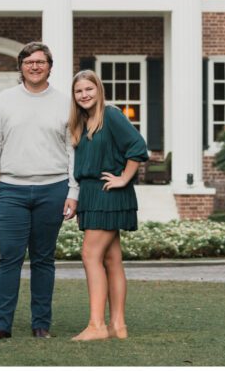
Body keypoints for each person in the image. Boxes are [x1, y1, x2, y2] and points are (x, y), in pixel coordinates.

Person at [0, 41, 78, 340]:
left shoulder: (64, 102)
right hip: (12, 189)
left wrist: (74, 191)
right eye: (29, 62)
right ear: (20, 67)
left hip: (53, 188)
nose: (35, 66)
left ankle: (41, 325)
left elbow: (73, 149)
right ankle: (1, 325)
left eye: (41, 61)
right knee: (9, 257)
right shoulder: (5, 100)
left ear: (49, 66)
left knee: (43, 259)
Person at [67, 69, 149, 341]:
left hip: (107, 193)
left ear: (98, 90)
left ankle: (96, 326)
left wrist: (124, 178)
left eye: (89, 89)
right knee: (111, 259)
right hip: (93, 195)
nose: (84, 95)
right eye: (79, 91)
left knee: (90, 256)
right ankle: (118, 325)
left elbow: (137, 146)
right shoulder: (83, 122)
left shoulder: (111, 115)